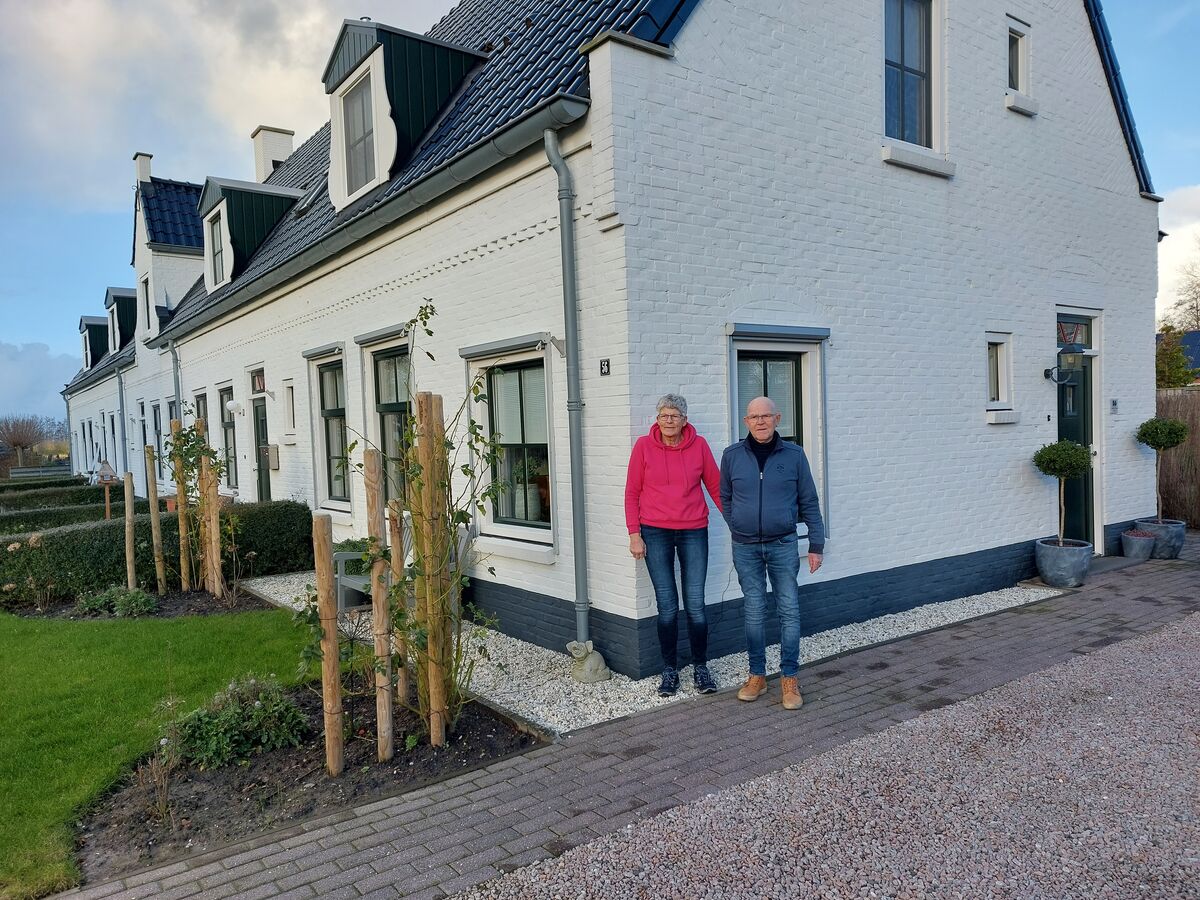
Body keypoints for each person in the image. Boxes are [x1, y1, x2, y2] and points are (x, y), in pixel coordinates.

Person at [719, 396, 825, 711]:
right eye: (754, 417)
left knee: (788, 610)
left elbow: (809, 501)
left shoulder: (794, 455)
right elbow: (725, 497)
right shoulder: (732, 456)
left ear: (777, 419)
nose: (760, 421)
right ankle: (757, 676)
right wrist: (738, 524)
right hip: (745, 546)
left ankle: (789, 678)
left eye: (766, 416)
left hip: (783, 544)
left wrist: (816, 544)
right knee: (754, 611)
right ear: (746, 422)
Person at [625, 394, 723, 696]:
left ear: (684, 420)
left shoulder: (699, 445)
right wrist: (634, 534)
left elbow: (716, 486)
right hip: (655, 532)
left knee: (695, 604)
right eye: (664, 415)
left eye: (674, 415)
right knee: (667, 606)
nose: (669, 420)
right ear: (657, 419)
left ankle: (700, 668)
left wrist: (737, 524)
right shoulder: (643, 447)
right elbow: (632, 492)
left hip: (694, 530)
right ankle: (669, 670)